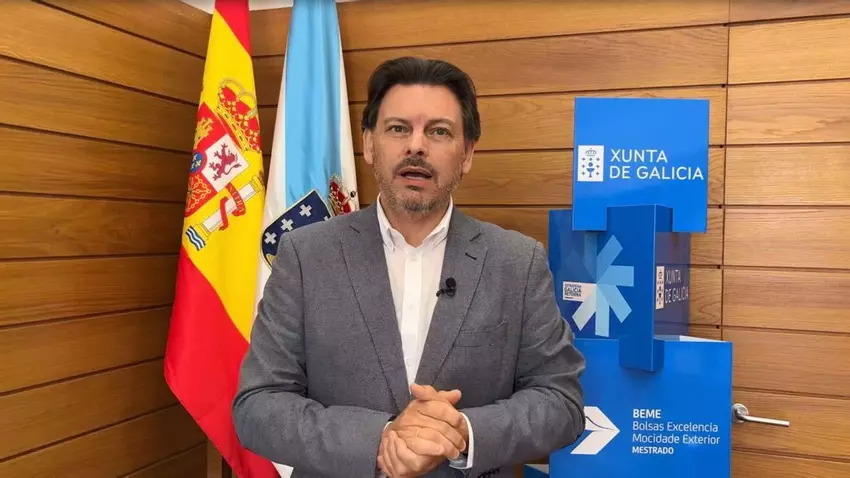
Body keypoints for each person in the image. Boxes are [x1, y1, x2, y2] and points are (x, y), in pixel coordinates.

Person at [233, 56, 586, 478]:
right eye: (399, 128)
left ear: (467, 154)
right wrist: (379, 441)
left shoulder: (517, 262)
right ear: (369, 144)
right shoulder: (306, 255)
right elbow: (258, 405)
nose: (416, 146)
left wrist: (464, 432)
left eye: (439, 131)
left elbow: (561, 401)